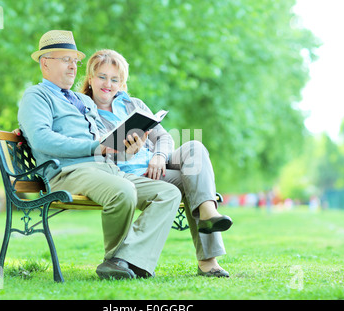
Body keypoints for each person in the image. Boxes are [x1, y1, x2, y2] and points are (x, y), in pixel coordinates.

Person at [18, 30, 182, 279]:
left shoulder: (80, 99)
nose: (73, 67)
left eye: (75, 61)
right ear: (45, 63)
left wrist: (126, 149)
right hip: (68, 172)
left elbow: (102, 144)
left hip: (105, 169)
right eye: (65, 60)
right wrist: (97, 148)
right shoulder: (36, 95)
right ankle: (116, 260)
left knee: (168, 193)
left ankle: (124, 261)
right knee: (123, 191)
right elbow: (42, 139)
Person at [79, 49, 233, 277]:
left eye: (115, 79)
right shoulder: (84, 110)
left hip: (155, 168)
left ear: (122, 83)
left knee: (195, 149)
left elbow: (164, 137)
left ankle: (209, 216)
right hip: (125, 175)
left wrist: (159, 156)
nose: (108, 84)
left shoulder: (133, 104)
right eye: (102, 77)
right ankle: (207, 260)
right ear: (90, 79)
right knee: (194, 185)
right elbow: (93, 154)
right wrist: (127, 152)